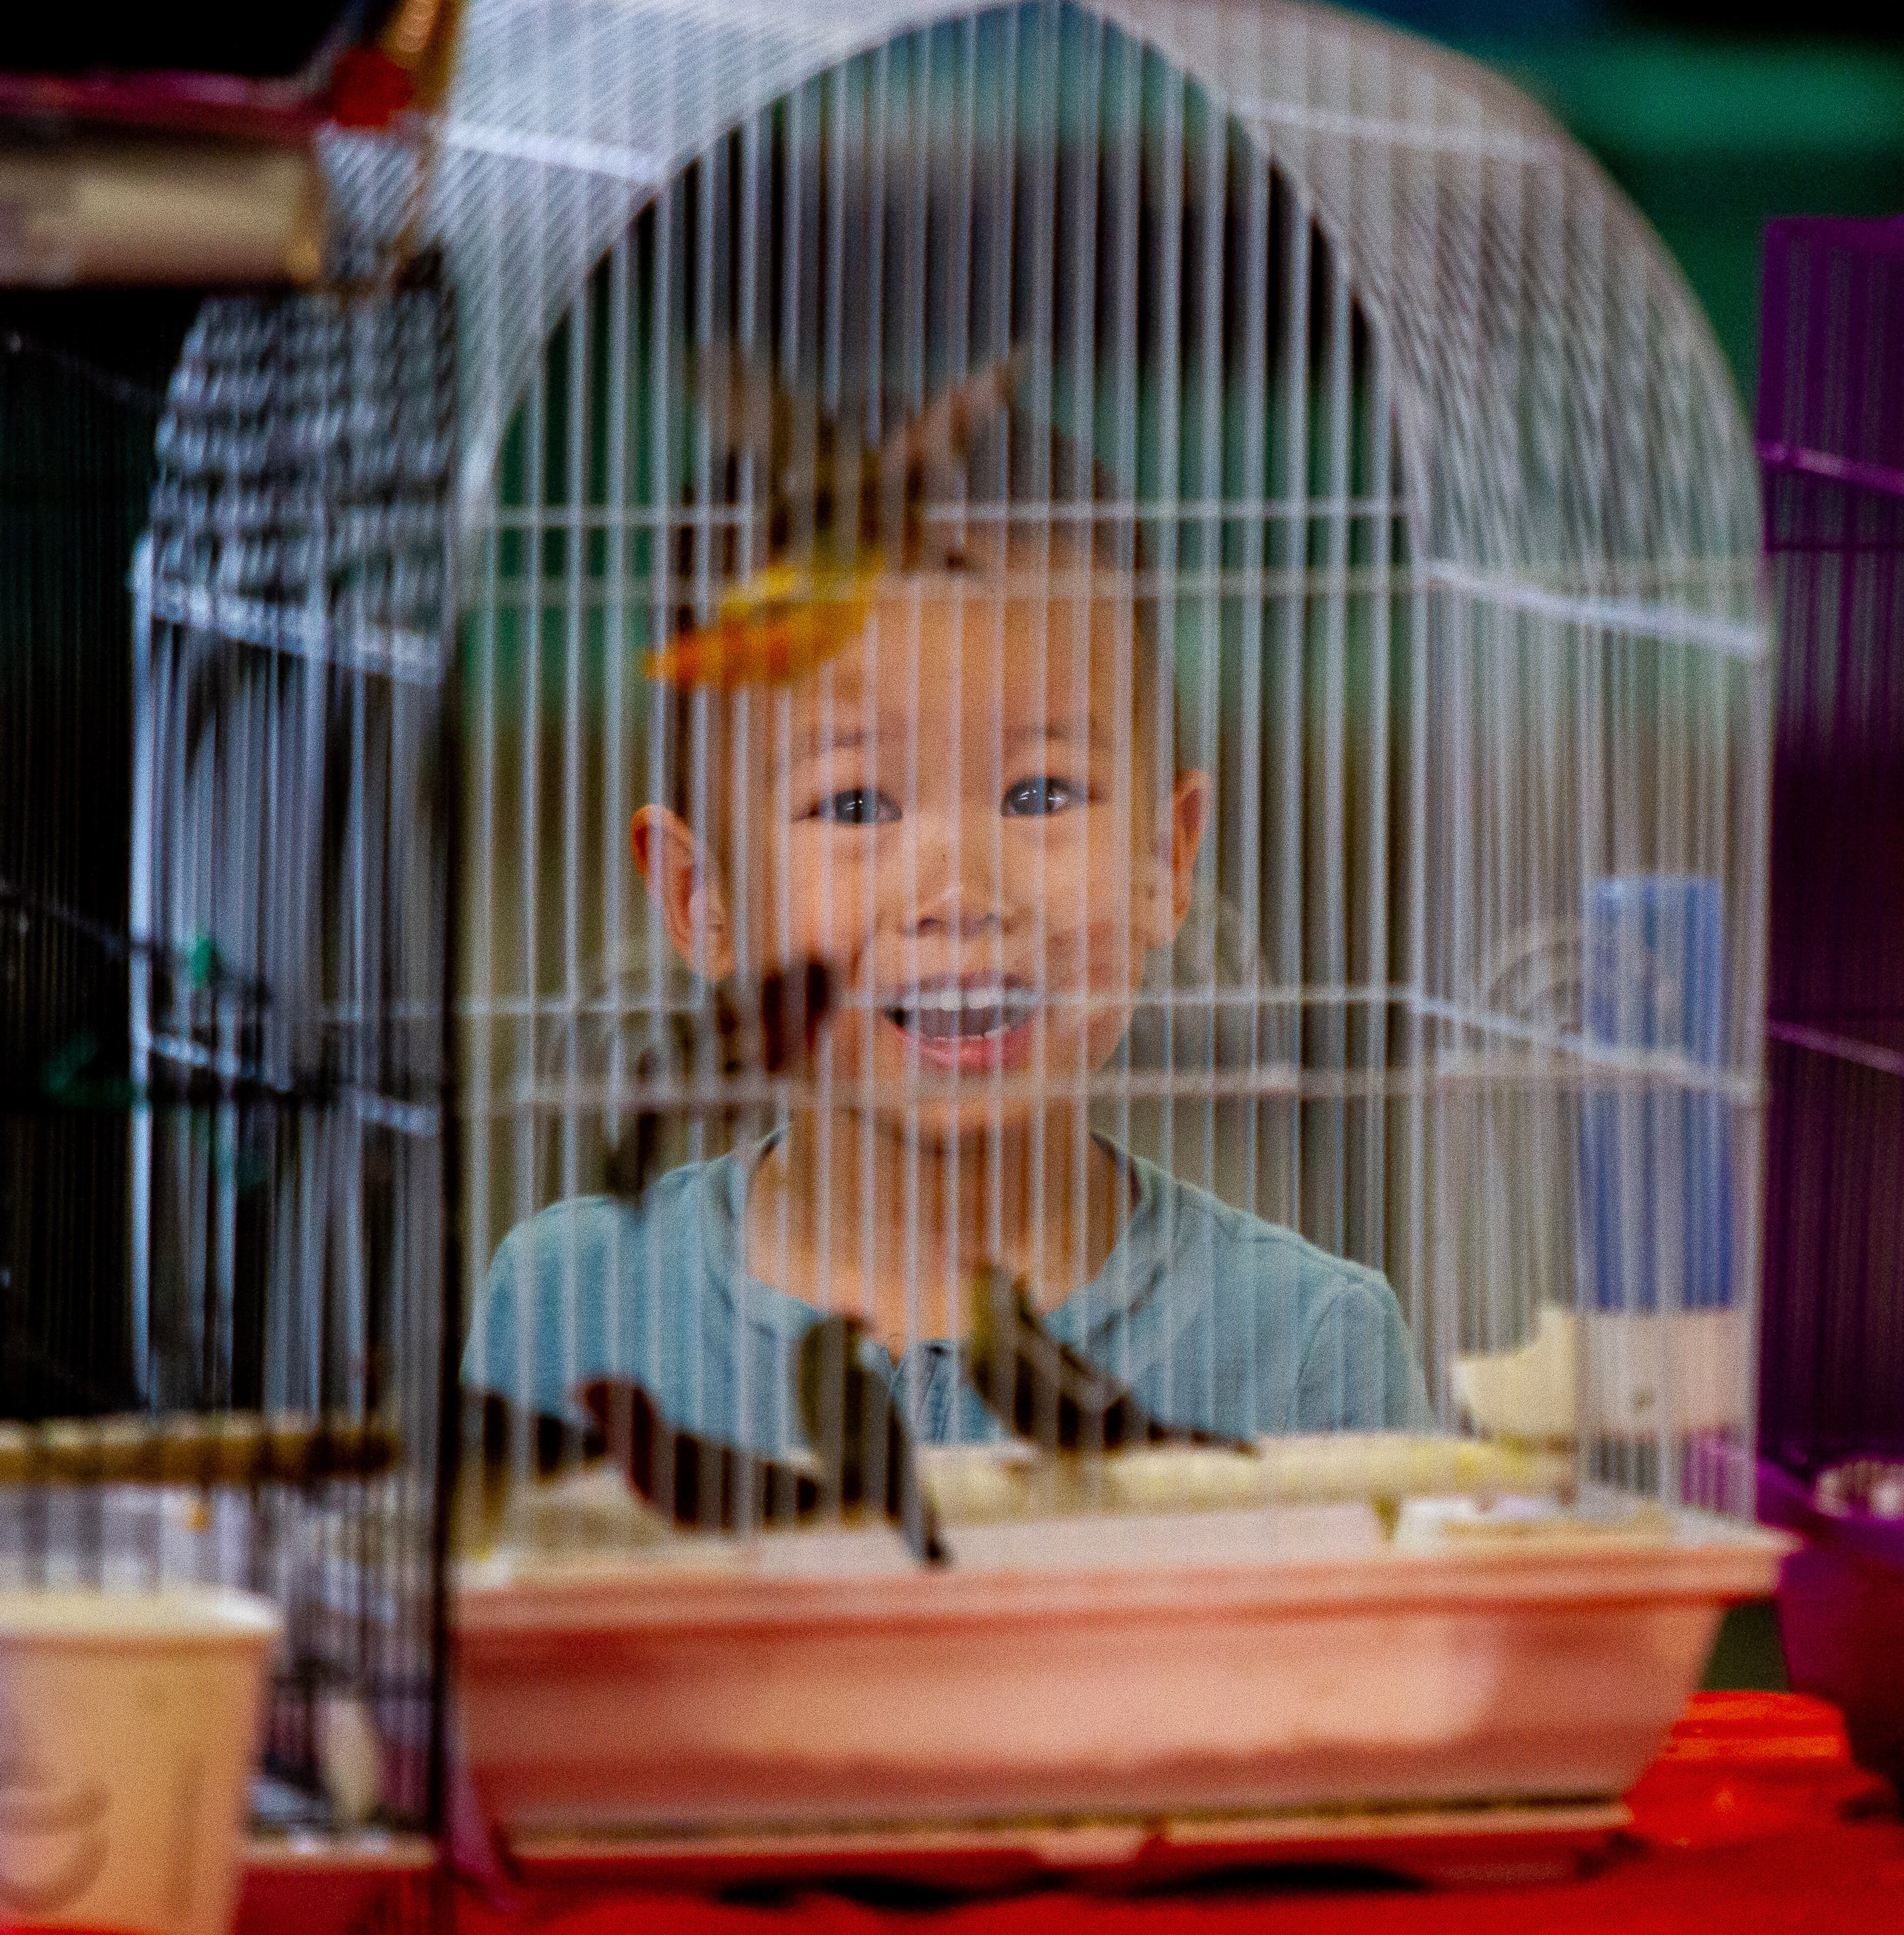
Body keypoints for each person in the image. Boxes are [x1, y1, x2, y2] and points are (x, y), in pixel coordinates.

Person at [465, 370, 1427, 1456]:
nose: (960, 894)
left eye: (1041, 793)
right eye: (855, 804)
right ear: (700, 897)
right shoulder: (567, 1310)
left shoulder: (1309, 1347)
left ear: (1165, 858)